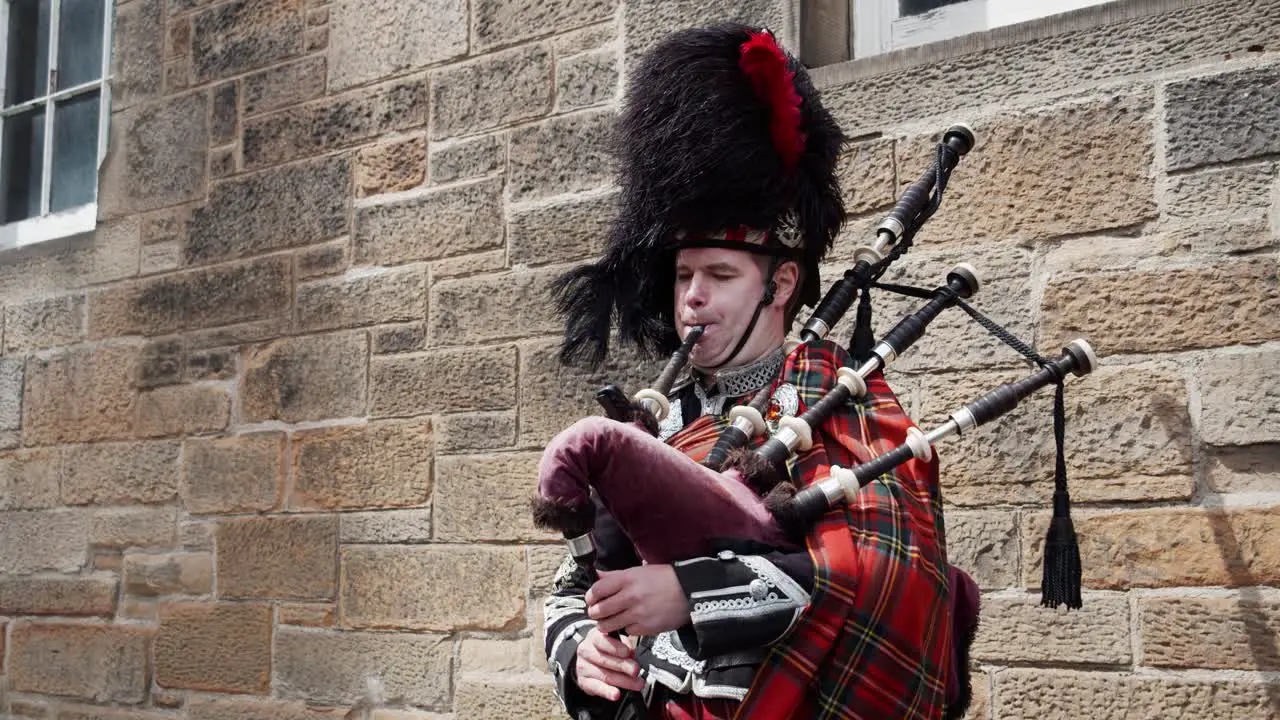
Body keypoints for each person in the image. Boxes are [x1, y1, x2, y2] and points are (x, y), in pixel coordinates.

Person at [538, 24, 965, 720]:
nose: (691, 297)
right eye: (682, 276)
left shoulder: (844, 405)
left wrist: (692, 590)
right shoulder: (665, 418)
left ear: (781, 284)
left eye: (719, 275)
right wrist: (581, 643)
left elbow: (882, 574)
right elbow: (572, 581)